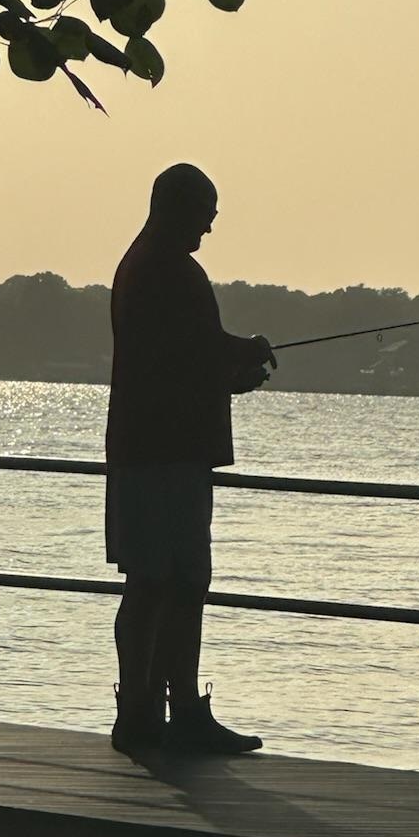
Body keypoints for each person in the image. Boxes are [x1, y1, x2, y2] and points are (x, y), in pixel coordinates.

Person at [105, 162, 276, 755]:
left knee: (168, 582)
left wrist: (229, 373)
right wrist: (245, 350)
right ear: (176, 208)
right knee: (163, 582)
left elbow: (176, 361)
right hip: (163, 454)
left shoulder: (146, 265)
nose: (208, 228)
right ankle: (157, 713)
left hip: (157, 449)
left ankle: (156, 711)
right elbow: (193, 350)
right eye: (205, 215)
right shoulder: (166, 268)